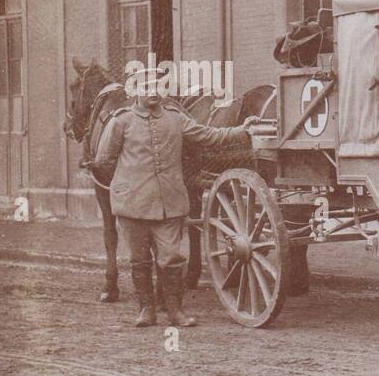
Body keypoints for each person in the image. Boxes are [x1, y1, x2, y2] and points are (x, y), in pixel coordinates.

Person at [93, 71, 260, 328]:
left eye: (157, 87)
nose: (152, 92)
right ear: (135, 91)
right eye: (146, 87)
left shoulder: (176, 118)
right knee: (139, 260)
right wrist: (126, 183)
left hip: (169, 203)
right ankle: (146, 310)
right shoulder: (121, 121)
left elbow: (209, 135)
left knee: (171, 259)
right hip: (132, 204)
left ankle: (175, 311)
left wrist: (242, 130)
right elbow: (104, 160)